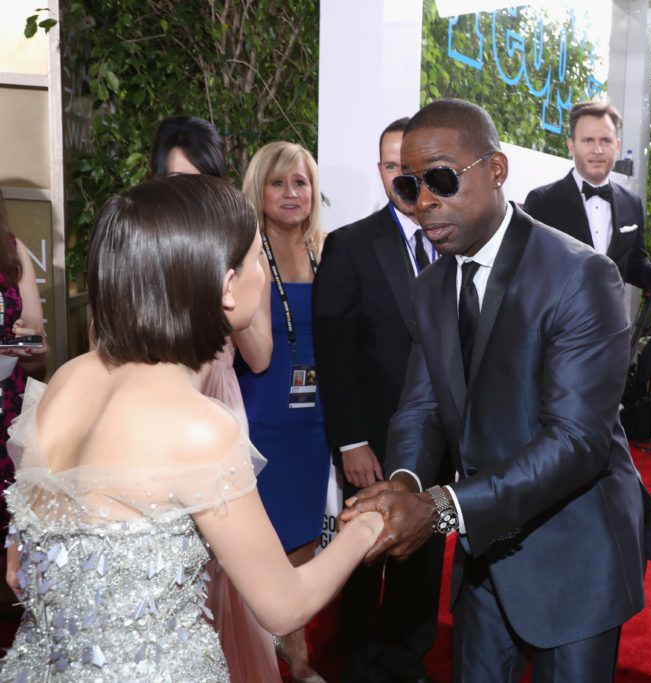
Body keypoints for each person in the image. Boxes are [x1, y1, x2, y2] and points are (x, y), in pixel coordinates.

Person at [0, 174, 382, 679]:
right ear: (227, 287)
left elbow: (18, 568)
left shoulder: (69, 378)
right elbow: (284, 606)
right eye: (256, 259)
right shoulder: (198, 428)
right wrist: (371, 526)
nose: (264, 273)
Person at [341, 98, 651, 682]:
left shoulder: (581, 275)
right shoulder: (431, 284)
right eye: (410, 186)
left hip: (573, 552)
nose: (423, 204)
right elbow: (419, 406)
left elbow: (576, 442)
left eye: (441, 179)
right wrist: (405, 483)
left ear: (496, 170)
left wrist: (440, 509)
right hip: (482, 552)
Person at [148, 115, 279, 682]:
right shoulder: (139, 243)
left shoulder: (242, 247)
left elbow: (261, 357)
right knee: (161, 564)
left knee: (224, 567)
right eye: (178, 180)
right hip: (152, 418)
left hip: (219, 412)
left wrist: (232, 283)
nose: (190, 195)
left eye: (202, 181)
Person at [313, 117, 443, 683]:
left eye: (413, 167)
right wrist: (350, 440)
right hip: (370, 434)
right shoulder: (350, 244)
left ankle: (406, 654)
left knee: (424, 549)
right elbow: (334, 354)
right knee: (363, 553)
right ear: (381, 172)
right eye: (393, 166)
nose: (403, 177)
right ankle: (360, 657)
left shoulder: (451, 240)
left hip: (440, 436)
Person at [238, 141, 329, 682]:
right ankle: (250, 662)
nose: (291, 193)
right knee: (252, 549)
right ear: (260, 190)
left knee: (302, 544)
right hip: (260, 414)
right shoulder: (244, 252)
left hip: (314, 422)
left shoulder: (327, 249)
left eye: (300, 182)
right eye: (279, 183)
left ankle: (296, 659)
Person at [522, 100, 651, 293]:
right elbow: (525, 272)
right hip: (557, 322)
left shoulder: (632, 203)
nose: (598, 150)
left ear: (617, 145)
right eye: (588, 140)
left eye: (606, 140)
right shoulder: (542, 202)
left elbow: (635, 266)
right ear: (571, 145)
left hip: (613, 321)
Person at [0, 190, 47, 541]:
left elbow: (39, 347)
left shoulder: (13, 250)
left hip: (8, 413)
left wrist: (28, 339)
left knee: (13, 531)